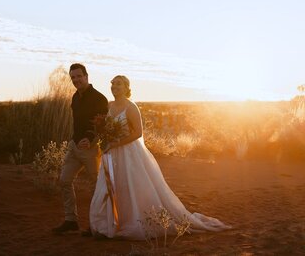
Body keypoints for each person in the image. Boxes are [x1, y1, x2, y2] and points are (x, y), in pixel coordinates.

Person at [90, 75, 231, 240]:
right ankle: (113, 222)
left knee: (131, 186)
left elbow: (138, 133)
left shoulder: (131, 107)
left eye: (118, 84)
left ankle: (132, 222)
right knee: (114, 186)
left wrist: (117, 143)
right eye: (112, 84)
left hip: (128, 153)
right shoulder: (109, 105)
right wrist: (105, 140)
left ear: (126, 87)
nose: (114, 86)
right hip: (112, 153)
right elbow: (106, 128)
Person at [52, 63, 108, 234]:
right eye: (73, 77)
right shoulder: (75, 97)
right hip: (74, 147)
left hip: (91, 149)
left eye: (79, 76)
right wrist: (75, 141)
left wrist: (90, 139)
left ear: (86, 76)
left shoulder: (99, 98)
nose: (76, 80)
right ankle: (71, 220)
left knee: (94, 187)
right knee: (64, 180)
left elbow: (103, 124)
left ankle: (95, 225)